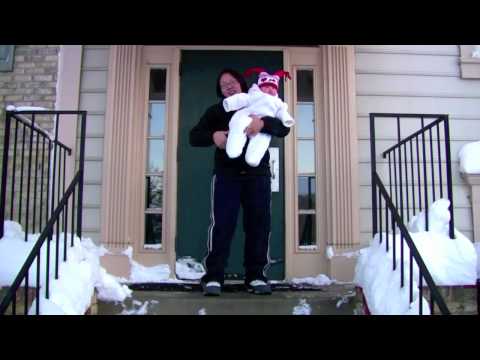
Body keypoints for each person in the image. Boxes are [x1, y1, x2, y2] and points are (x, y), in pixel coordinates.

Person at [189, 68, 291, 296]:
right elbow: (194, 136)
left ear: (242, 84)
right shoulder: (215, 111)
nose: (228, 86)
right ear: (220, 91)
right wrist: (212, 136)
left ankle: (255, 276)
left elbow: (284, 127)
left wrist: (263, 124)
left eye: (232, 82)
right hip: (227, 176)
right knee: (222, 225)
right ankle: (214, 277)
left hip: (258, 176)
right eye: (224, 85)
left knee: (258, 226)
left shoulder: (263, 102)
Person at [224, 67, 295, 167]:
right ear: (259, 86)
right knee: (239, 124)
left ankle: (253, 158)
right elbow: (241, 98)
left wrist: (264, 123)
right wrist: (229, 103)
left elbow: (283, 124)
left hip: (258, 174)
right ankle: (233, 149)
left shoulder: (278, 102)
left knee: (262, 139)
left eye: (273, 88)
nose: (270, 90)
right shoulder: (253, 95)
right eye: (266, 87)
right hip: (246, 117)